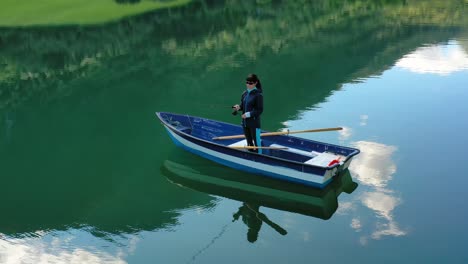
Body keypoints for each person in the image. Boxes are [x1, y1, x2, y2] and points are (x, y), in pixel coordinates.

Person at [232, 74, 264, 153]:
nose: (248, 85)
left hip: (254, 124)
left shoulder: (258, 95)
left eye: (250, 83)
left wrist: (247, 114)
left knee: (257, 144)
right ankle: (251, 155)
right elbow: (242, 106)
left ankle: (259, 158)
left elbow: (259, 110)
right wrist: (238, 107)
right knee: (249, 143)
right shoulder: (244, 93)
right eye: (247, 82)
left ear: (255, 83)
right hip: (245, 123)